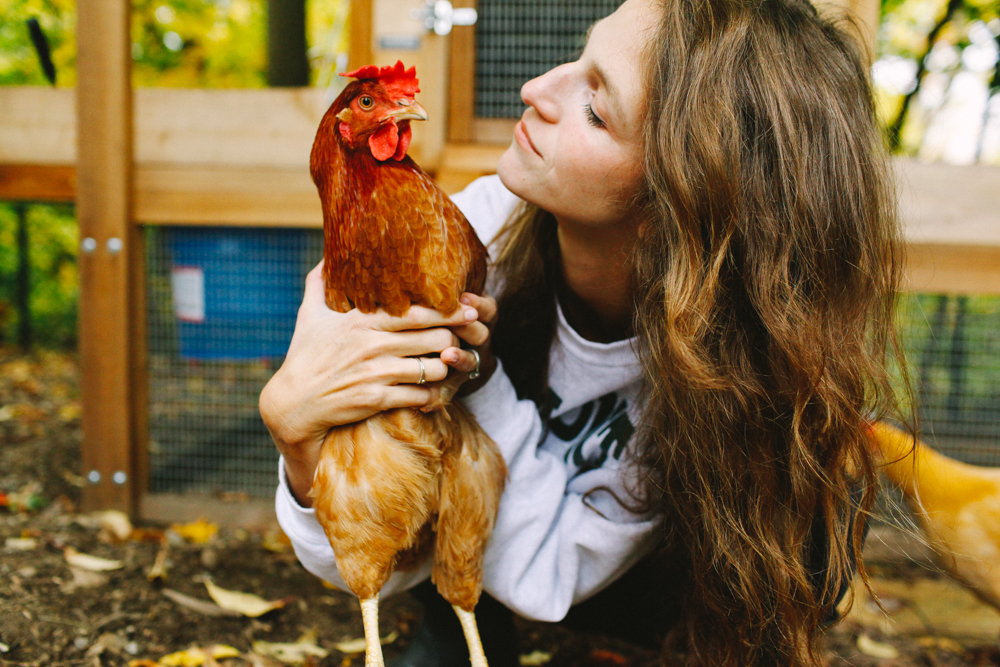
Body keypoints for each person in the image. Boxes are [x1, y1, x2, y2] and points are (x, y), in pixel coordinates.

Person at [259, 0, 903, 663]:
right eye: (575, 59)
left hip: (631, 578)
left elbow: (556, 573)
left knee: (811, 516)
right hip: (481, 525)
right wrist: (297, 430)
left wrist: (476, 379)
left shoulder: (724, 374)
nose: (535, 89)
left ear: (679, 201)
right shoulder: (466, 235)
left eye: (597, 109)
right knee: (428, 434)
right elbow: (366, 530)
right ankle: (458, 620)